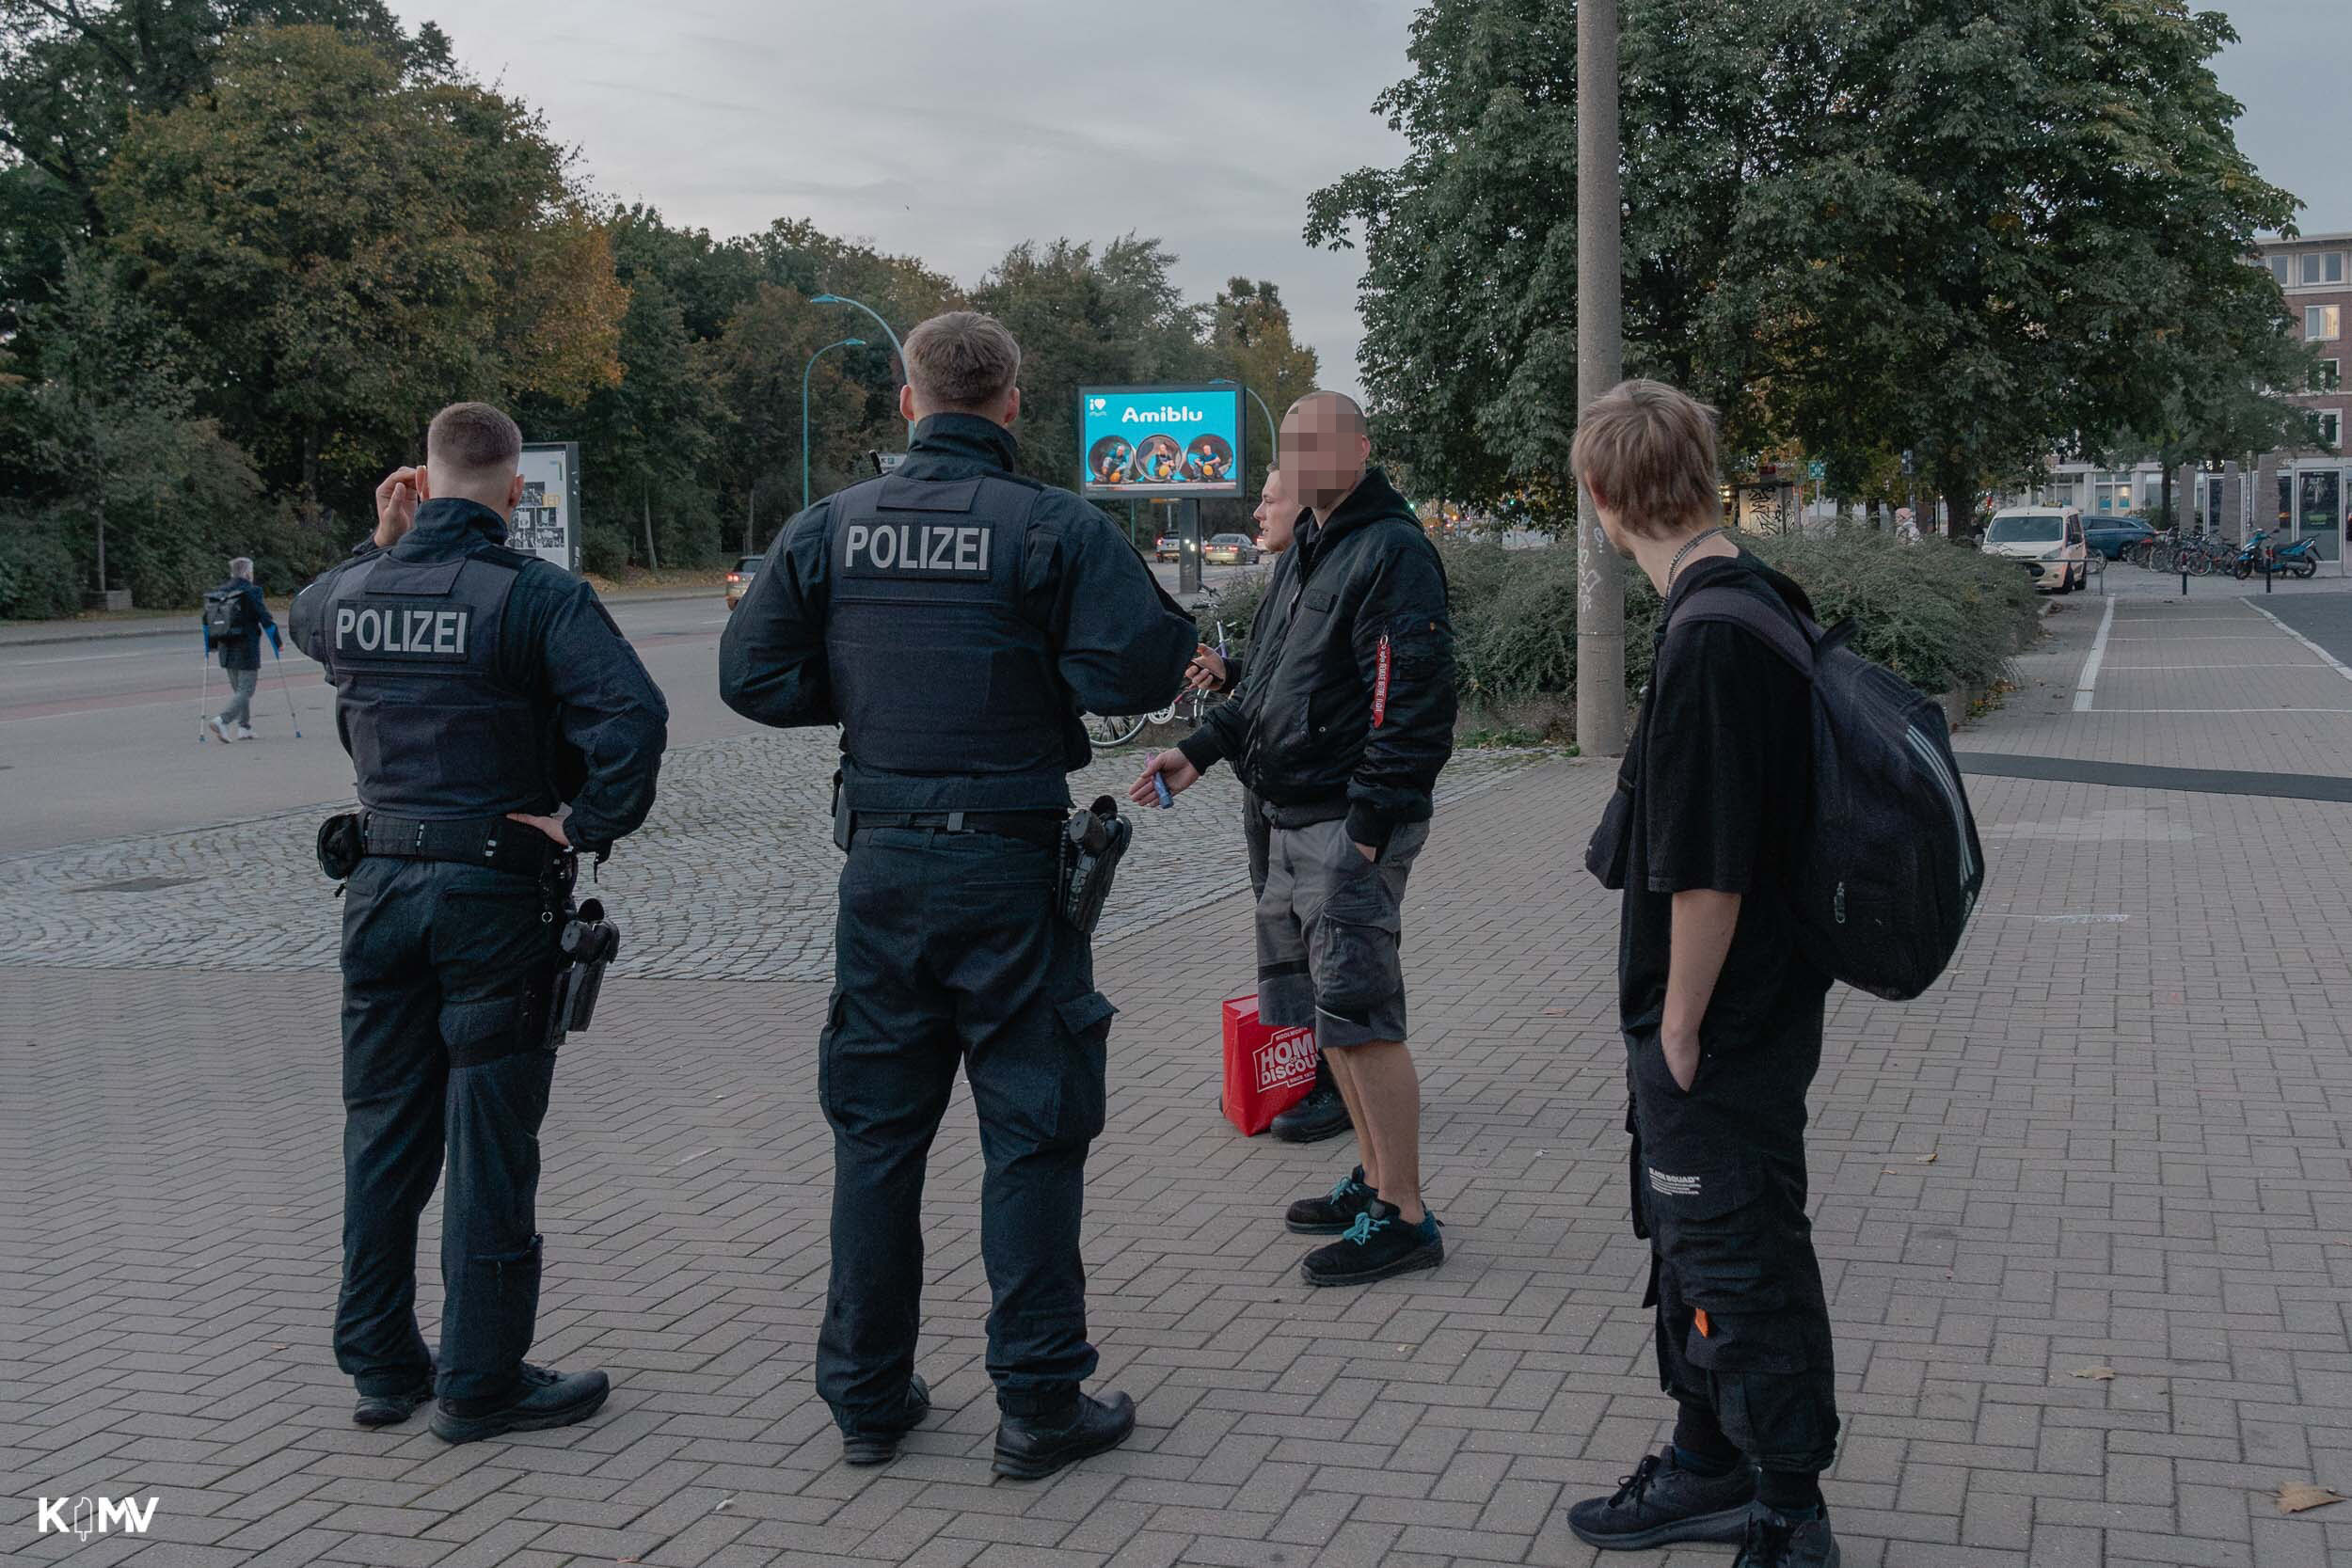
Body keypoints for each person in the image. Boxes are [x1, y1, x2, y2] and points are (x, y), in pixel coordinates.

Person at [719, 310, 1195, 1479]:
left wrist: (867, 690)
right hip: (1009, 866)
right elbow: (1138, 664)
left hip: (881, 866)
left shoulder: (832, 528)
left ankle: (868, 1399)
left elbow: (751, 674)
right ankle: (1037, 1402)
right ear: (1013, 401)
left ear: (906, 401)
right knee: (1031, 1130)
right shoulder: (1054, 527)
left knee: (877, 1136)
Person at [291, 403, 670, 1446]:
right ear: (515, 489)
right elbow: (633, 718)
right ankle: (481, 1380)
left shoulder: (352, 591)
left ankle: (379, 1363)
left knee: (381, 1134)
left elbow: (306, 611)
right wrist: (583, 823)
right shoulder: (536, 597)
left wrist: (382, 540)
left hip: (378, 889)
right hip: (493, 896)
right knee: (490, 1142)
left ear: (418, 478)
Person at [1565, 380, 1840, 1568]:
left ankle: (1786, 1512)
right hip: (1753, 1005)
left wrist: (1678, 1022)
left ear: (1599, 495)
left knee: (1737, 1248)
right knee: (1687, 1237)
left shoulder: (1711, 634)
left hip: (1722, 1021)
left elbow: (1711, 867)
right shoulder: (1746, 595)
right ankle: (1705, 1457)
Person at [1130, 391, 1456, 1287]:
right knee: (1326, 1019)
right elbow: (1267, 678)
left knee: (1361, 1020)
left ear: (1358, 449)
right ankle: (1375, 1178)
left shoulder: (1390, 551)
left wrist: (1370, 824)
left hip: (1344, 824)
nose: (1303, 460)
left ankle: (1407, 1215)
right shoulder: (1311, 548)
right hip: (1290, 817)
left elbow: (1414, 699)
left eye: (1321, 442)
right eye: (1291, 445)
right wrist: (1198, 752)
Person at [1184, 465, 1351, 1145]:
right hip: (1266, 791)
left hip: (1317, 802)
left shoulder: (1339, 567)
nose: (1257, 511)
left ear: (1305, 505)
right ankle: (1299, 1067)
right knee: (1282, 937)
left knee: (1326, 944)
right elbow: (1274, 669)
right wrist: (1232, 673)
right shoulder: (1287, 570)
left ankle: (1336, 1082)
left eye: (1268, 499)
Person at [202, 556, 278, 741]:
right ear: (247, 572)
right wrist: (277, 642)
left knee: (239, 690)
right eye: (251, 571)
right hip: (246, 647)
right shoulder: (251, 591)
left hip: (225, 648)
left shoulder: (219, 592)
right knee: (246, 690)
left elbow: (207, 621)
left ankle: (244, 728)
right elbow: (265, 618)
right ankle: (222, 720)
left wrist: (209, 647)